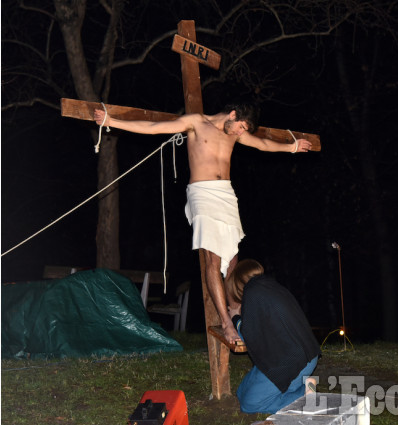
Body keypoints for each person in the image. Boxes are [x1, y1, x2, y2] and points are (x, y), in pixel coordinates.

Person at [93, 103, 312, 345]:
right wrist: (110, 122)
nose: (241, 133)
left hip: (226, 195)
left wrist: (291, 147)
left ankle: (236, 313)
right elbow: (154, 127)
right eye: (241, 127)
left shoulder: (235, 133)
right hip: (202, 193)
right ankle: (226, 324)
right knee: (213, 259)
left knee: (233, 263)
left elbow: (262, 144)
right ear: (232, 114)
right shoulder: (196, 122)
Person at [226, 259, 320, 414]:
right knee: (241, 392)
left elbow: (246, 336)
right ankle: (297, 388)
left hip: (291, 361)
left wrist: (235, 317)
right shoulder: (272, 286)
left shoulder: (252, 292)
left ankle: (305, 394)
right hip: (305, 354)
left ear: (238, 283)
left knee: (249, 405)